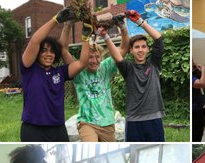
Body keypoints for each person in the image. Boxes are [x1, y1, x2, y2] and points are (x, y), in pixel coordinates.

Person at [19, 9, 90, 141]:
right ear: (37, 53)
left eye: (52, 51)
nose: (48, 54)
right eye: (44, 50)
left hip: (58, 128)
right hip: (32, 129)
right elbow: (34, 40)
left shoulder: (60, 72)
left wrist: (86, 37)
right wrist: (56, 19)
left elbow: (81, 63)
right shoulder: (29, 68)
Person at [60, 16, 128, 142]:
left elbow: (123, 49)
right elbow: (63, 50)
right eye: (90, 57)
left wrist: (122, 28)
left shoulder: (106, 67)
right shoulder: (79, 70)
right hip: (87, 122)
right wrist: (68, 24)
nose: (94, 60)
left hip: (108, 122)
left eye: (97, 57)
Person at [111, 10, 167, 141]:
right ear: (131, 50)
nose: (140, 50)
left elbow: (158, 39)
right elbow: (117, 56)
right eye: (137, 47)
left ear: (148, 49)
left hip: (154, 119)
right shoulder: (128, 68)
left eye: (143, 47)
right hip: (134, 121)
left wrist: (140, 21)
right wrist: (106, 36)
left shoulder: (154, 64)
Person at [192, 63, 205, 142]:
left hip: (198, 106)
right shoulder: (191, 76)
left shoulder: (194, 72)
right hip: (195, 109)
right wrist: (203, 71)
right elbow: (201, 84)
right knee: (197, 133)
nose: (193, 63)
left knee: (199, 131)